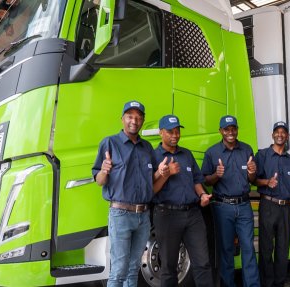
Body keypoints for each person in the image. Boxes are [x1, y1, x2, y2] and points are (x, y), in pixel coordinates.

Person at [91, 100, 167, 287]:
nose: (134, 120)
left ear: (143, 120)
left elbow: (150, 182)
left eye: (139, 117)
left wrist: (161, 172)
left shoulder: (147, 148)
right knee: (119, 270)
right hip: (120, 215)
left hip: (143, 216)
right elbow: (99, 181)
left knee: (133, 269)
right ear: (122, 119)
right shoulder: (109, 143)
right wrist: (104, 170)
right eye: (130, 116)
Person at [152, 114, 214, 287]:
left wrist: (202, 195)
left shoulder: (186, 154)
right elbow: (150, 190)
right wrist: (166, 174)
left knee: (203, 263)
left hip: (193, 214)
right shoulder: (154, 156)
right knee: (168, 267)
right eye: (170, 131)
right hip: (167, 215)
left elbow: (197, 180)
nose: (175, 135)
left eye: (177, 131)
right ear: (161, 133)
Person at [201, 115, 260, 287]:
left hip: (244, 206)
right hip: (222, 207)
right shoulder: (212, 152)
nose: (230, 132)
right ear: (221, 131)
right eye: (226, 129)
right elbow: (206, 180)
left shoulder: (247, 149)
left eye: (233, 128)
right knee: (226, 250)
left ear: (237, 129)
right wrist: (216, 175)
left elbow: (252, 179)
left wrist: (251, 171)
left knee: (248, 249)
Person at [254, 121, 290, 287]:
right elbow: (253, 180)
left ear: (287, 136)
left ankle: (279, 283)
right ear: (272, 135)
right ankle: (267, 284)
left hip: (286, 208)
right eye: (277, 131)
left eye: (283, 132)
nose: (280, 134)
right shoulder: (262, 155)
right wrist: (267, 182)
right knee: (266, 249)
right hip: (268, 205)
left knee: (283, 250)